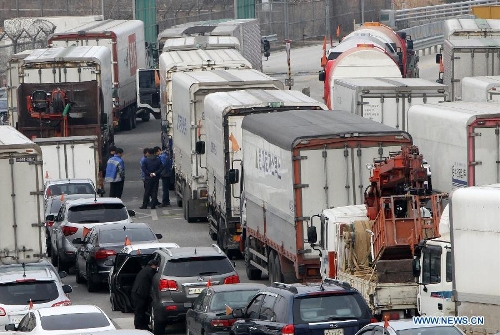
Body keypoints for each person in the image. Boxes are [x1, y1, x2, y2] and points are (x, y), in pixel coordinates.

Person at [131, 259, 159, 330]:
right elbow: (154, 281)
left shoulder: (145, 269)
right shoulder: (150, 271)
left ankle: (142, 326)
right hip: (140, 293)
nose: (156, 268)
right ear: (153, 265)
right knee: (140, 311)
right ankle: (139, 327)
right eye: (156, 266)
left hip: (137, 292)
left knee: (140, 311)